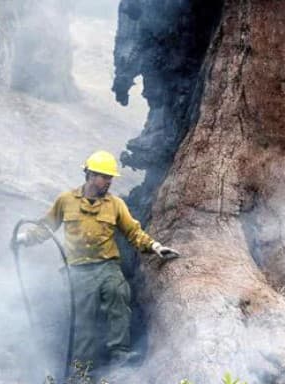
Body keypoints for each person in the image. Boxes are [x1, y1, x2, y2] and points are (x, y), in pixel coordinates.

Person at [14, 150, 179, 367]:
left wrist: (155, 247)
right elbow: (46, 227)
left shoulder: (115, 204)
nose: (109, 181)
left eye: (110, 177)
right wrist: (24, 238)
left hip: (106, 266)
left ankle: (120, 353)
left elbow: (133, 232)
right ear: (90, 175)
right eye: (104, 177)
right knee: (83, 321)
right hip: (77, 270)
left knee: (118, 292)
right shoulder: (66, 201)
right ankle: (82, 371)